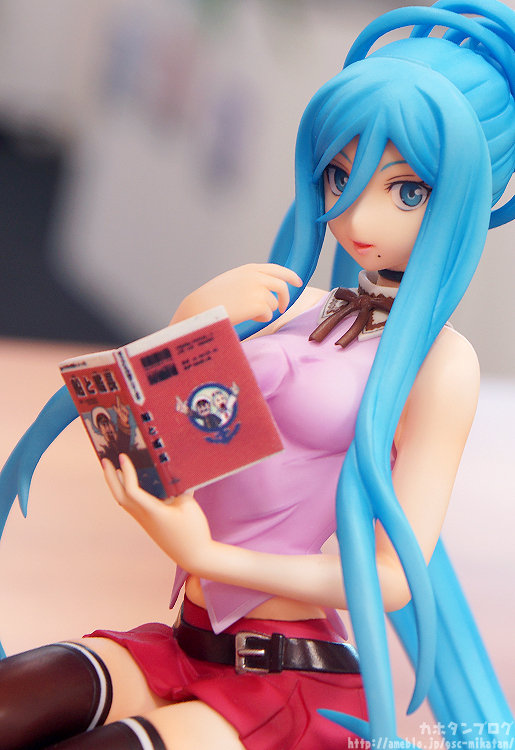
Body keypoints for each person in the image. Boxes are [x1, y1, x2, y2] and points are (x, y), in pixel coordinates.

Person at [0, 1, 514, 748]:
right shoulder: (289, 303)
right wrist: (191, 319)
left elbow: (392, 576)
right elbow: (171, 431)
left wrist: (205, 555)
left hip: (287, 676)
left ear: (468, 196)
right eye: (341, 175)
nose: (356, 216)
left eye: (407, 190)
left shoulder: (440, 364)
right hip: (185, 641)